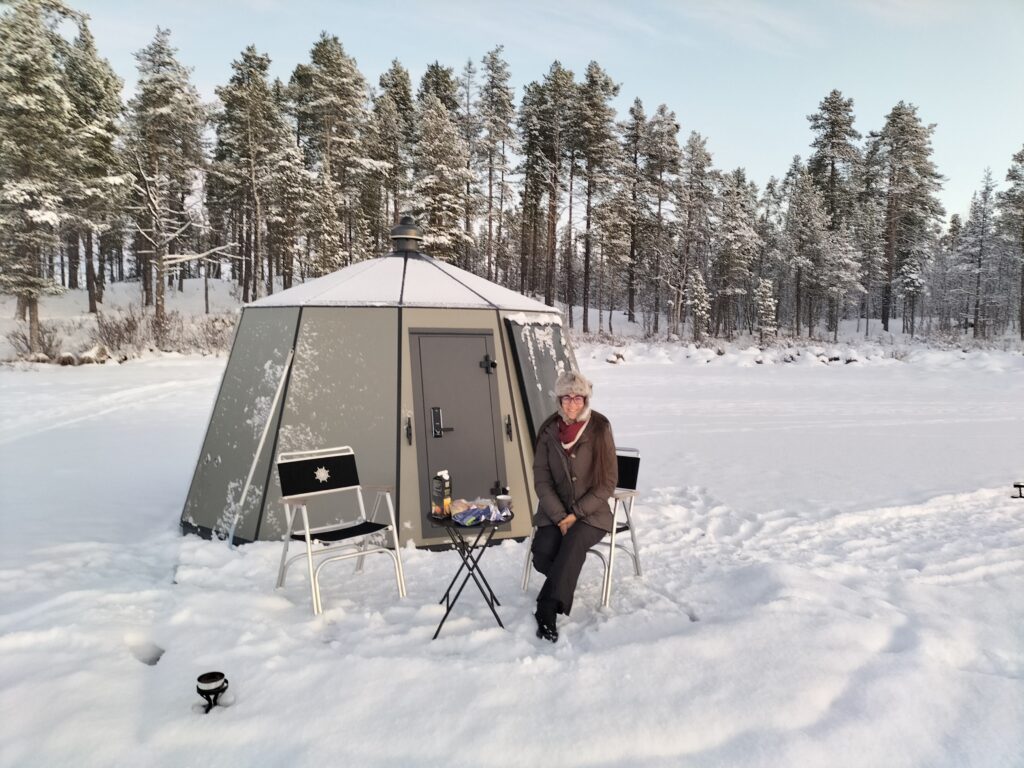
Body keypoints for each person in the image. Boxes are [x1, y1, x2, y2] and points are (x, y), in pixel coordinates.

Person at [531, 370, 617, 642]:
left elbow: (607, 483)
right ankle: (563, 578)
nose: (571, 403)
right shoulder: (548, 430)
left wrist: (576, 515)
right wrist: (560, 516)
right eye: (566, 398)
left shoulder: (600, 427)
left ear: (586, 399)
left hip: (591, 514)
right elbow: (541, 480)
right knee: (543, 554)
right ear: (559, 399)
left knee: (572, 545)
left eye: (577, 397)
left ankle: (546, 609)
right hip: (555, 512)